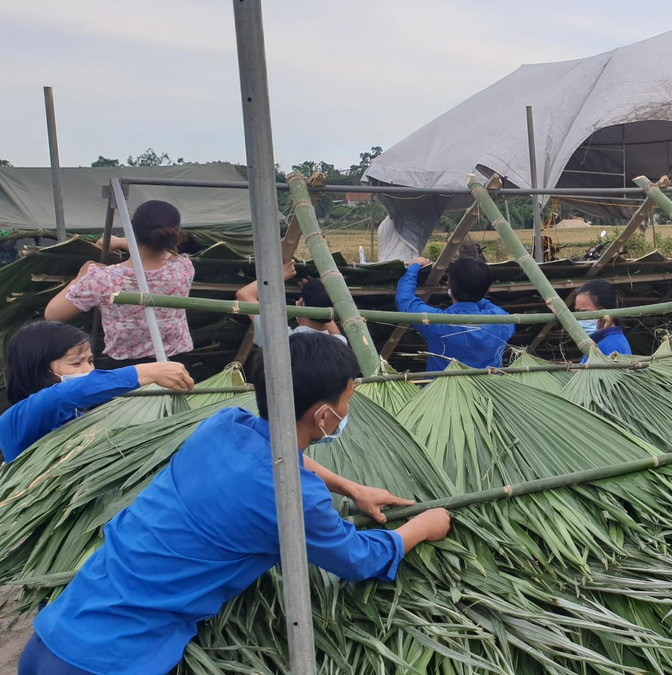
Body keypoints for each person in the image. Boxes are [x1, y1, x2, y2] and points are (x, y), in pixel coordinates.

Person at [18, 332, 452, 675]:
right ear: (323, 415)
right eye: (347, 402)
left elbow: (282, 457)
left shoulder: (223, 424)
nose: (347, 408)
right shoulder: (294, 499)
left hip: (54, 634)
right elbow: (359, 559)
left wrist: (350, 488)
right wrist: (424, 525)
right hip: (113, 662)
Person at [0, 322, 194, 464]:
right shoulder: (17, 420)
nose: (89, 370)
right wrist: (146, 372)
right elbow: (60, 396)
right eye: (76, 363)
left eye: (90, 360)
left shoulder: (80, 414)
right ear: (38, 369)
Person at [44, 200, 196, 365]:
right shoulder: (183, 268)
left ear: (131, 230)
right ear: (176, 234)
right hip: (175, 366)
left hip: (125, 371)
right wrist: (125, 242)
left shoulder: (103, 279)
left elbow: (53, 314)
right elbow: (158, 252)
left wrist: (80, 276)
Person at [396, 256, 515, 370]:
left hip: (444, 390)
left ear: (448, 284)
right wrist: (476, 292)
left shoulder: (437, 322)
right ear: (488, 290)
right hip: (489, 389)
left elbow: (405, 300)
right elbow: (489, 305)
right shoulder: (502, 321)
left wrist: (414, 266)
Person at [235, 260, 345, 348]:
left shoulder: (282, 339)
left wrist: (277, 276)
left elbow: (244, 294)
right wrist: (316, 294)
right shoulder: (339, 344)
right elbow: (327, 319)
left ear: (301, 304)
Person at [574, 279, 632, 362]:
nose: (579, 317)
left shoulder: (608, 347)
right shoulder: (598, 342)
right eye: (577, 311)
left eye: (584, 312)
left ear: (606, 314)